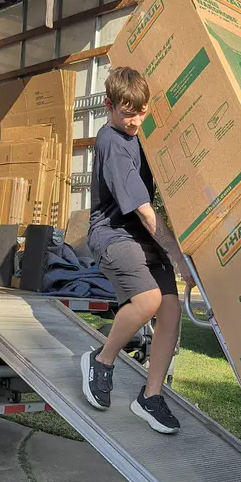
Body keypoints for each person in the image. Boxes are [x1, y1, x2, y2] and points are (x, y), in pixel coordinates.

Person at [82, 67, 195, 434]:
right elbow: (145, 211)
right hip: (113, 236)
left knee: (171, 310)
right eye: (128, 113)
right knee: (147, 300)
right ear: (108, 105)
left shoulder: (142, 134)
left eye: (141, 112)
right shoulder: (111, 145)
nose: (135, 121)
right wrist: (178, 257)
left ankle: (150, 396)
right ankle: (101, 361)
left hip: (141, 239)